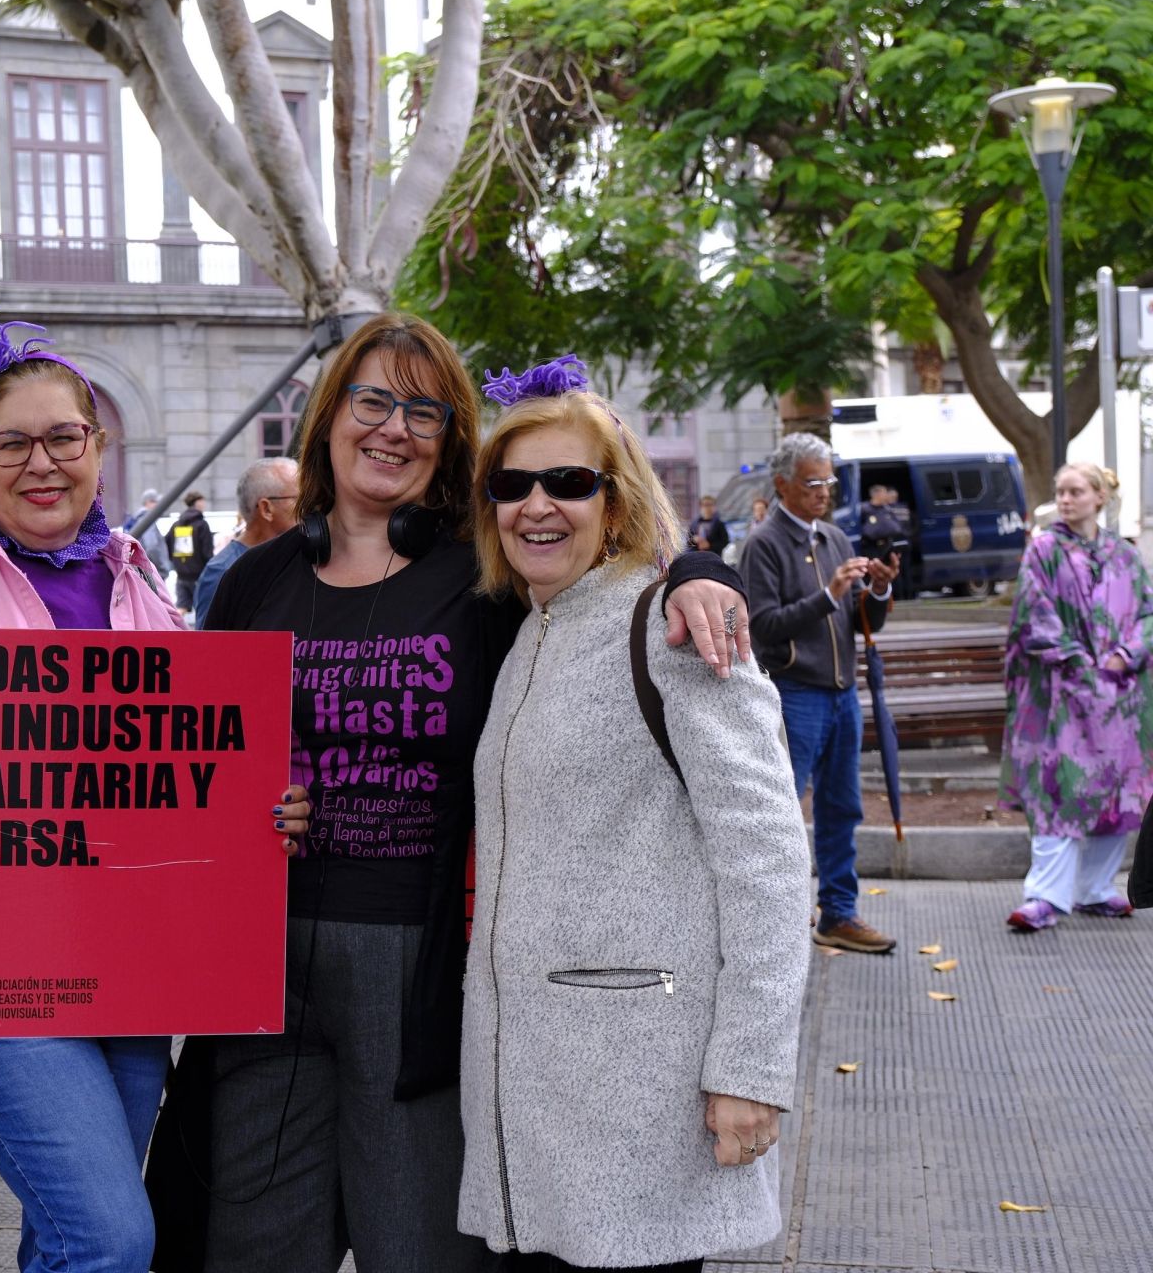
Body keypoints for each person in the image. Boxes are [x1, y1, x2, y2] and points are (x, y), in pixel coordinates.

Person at [158, 328, 747, 1273]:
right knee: (248, 1251)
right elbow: (197, 761)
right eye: (373, 402)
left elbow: (605, 570)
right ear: (329, 415)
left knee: (423, 1250)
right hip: (264, 974)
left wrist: (702, 571)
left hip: (424, 971)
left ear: (450, 437)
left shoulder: (483, 576)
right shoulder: (256, 583)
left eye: (423, 410)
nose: (395, 429)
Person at [0, 305, 312, 1273]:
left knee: (68, 1230)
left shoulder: (143, 587)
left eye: (63, 438)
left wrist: (270, 804)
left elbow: (193, 770)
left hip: (129, 970)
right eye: (12, 443)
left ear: (99, 445)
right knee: (110, 1235)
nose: (40, 463)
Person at [459, 360, 810, 1270]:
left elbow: (768, 860)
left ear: (614, 502)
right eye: (513, 484)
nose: (538, 505)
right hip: (530, 1100)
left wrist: (751, 1072)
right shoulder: (526, 633)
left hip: (641, 1095)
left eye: (570, 482)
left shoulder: (671, 630)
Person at [740, 433, 899, 954]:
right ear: (783, 483)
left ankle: (839, 914)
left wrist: (878, 589)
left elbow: (860, 620)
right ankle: (775, 919)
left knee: (841, 807)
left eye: (829, 480)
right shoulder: (763, 543)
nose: (825, 491)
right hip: (795, 693)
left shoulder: (834, 538)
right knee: (783, 812)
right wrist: (828, 594)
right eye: (814, 482)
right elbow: (763, 626)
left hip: (841, 695)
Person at [1000, 463, 1153, 930]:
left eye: (1076, 491)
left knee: (1116, 795)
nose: (1065, 500)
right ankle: (1044, 895)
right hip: (1060, 699)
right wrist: (1080, 662)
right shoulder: (1043, 550)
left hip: (1120, 700)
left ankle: (1094, 888)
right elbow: (1033, 615)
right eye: (1060, 491)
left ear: (1099, 497)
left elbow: (1147, 613)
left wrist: (1125, 655)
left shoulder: (1124, 555)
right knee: (1058, 790)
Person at [194, 457, 299, 627]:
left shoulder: (299, 558)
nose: (311, 506)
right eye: (299, 498)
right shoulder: (223, 571)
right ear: (266, 509)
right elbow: (209, 648)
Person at [170, 491, 216, 614]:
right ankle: (202, 633)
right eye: (203, 501)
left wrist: (176, 563)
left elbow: (169, 546)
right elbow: (207, 552)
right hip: (199, 576)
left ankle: (173, 631)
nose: (204, 504)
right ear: (197, 502)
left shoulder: (176, 525)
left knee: (181, 608)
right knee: (203, 610)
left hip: (181, 575)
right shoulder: (202, 525)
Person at [125, 487, 174, 580]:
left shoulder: (135, 518)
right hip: (152, 574)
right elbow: (152, 547)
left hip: (140, 572)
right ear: (148, 502)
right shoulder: (147, 520)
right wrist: (162, 569)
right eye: (156, 502)